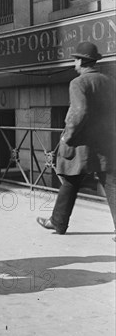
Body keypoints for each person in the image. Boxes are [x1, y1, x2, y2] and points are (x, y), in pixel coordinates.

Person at [37, 42, 116, 238]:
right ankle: (57, 221)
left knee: (71, 180)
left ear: (81, 61)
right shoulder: (110, 81)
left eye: (75, 60)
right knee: (111, 184)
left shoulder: (78, 83)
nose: (74, 64)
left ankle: (58, 222)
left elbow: (80, 112)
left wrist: (67, 135)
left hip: (83, 144)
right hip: (106, 142)